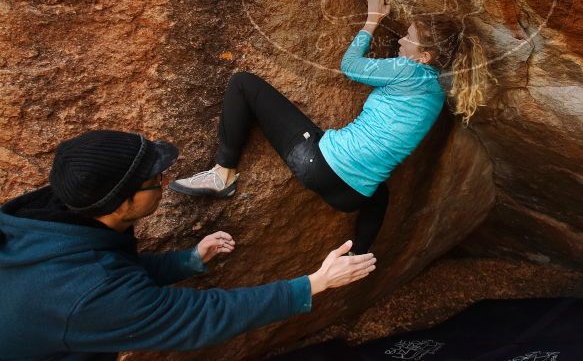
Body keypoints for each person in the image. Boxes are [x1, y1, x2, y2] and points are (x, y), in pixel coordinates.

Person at [0, 130, 376, 360]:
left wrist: (187, 261)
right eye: (155, 179)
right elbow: (204, 315)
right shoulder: (82, 294)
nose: (165, 181)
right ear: (122, 203)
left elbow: (105, 276)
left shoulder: (51, 215)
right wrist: (315, 282)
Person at [170, 0, 492, 254]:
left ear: (425, 56)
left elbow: (349, 65)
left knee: (243, 84)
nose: (400, 41)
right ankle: (359, 251)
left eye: (408, 37)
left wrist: (372, 21)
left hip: (319, 165)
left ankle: (222, 174)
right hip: (351, 198)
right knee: (379, 193)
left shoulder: (407, 70)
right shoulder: (437, 95)